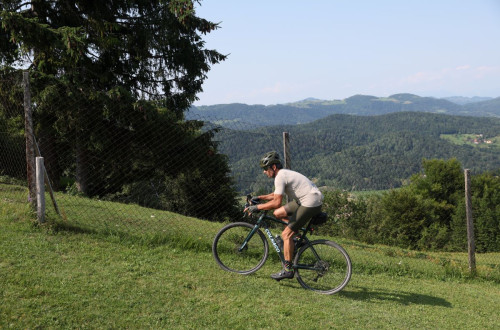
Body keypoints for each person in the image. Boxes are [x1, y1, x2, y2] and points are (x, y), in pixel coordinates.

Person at [245, 151, 323, 281]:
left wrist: (256, 207)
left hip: (310, 202)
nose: (264, 172)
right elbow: (275, 195)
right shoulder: (282, 175)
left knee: (286, 234)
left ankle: (288, 269)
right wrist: (259, 198)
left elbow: (276, 202)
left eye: (265, 168)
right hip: (308, 199)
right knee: (278, 213)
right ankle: (298, 238)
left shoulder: (280, 176)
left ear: (273, 167)